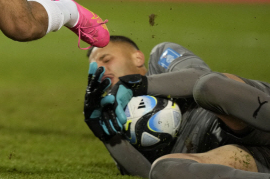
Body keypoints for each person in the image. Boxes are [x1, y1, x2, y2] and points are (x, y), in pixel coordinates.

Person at [84, 36, 270, 178]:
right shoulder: (119, 120)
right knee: (163, 169)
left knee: (209, 86)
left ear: (137, 58)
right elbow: (147, 173)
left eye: (106, 60)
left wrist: (138, 84)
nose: (100, 70)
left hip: (254, 114)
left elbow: (199, 75)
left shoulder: (160, 58)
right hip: (246, 156)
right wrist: (106, 134)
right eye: (94, 68)